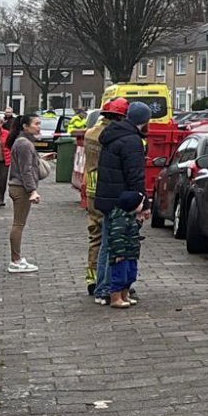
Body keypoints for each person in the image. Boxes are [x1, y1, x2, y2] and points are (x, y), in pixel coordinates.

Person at [94, 102, 152, 308]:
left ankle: (102, 288)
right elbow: (135, 175)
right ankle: (111, 291)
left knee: (106, 245)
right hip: (123, 201)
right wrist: (143, 202)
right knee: (119, 247)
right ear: (144, 121)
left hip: (108, 197)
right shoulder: (132, 141)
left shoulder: (113, 135)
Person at [75, 99, 120, 298]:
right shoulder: (109, 135)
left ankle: (91, 278)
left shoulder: (90, 132)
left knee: (94, 234)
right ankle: (106, 279)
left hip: (90, 183)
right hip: (105, 185)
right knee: (110, 235)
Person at [6, 112, 45, 273]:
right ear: (25, 126)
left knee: (19, 223)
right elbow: (25, 170)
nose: (39, 127)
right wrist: (32, 191)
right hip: (20, 188)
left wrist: (41, 157)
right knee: (18, 224)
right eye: (36, 123)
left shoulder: (23, 142)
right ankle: (15, 260)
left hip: (19, 187)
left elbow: (27, 163)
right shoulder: (24, 144)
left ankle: (16, 258)